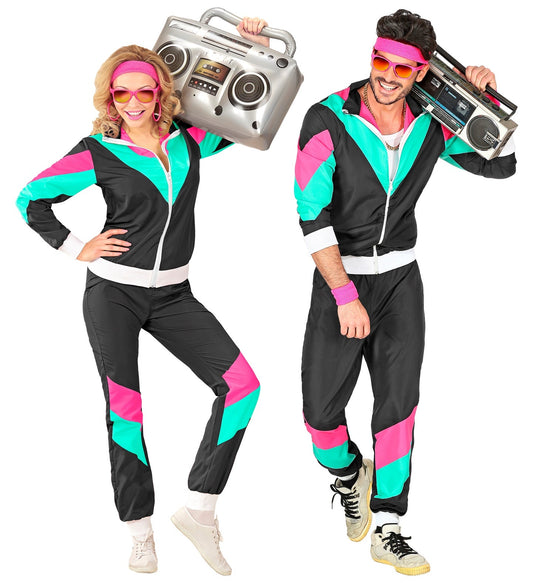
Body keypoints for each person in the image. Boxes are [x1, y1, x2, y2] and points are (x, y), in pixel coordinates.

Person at [16, 17, 270, 576]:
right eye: (121, 93)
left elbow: (250, 110)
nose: (132, 102)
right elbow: (30, 198)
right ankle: (139, 533)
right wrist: (76, 247)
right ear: (110, 96)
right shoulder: (98, 151)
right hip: (113, 295)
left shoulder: (192, 140)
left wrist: (250, 47)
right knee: (125, 411)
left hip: (175, 295)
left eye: (144, 91)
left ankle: (200, 511)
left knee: (242, 387)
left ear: (161, 93)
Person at [293, 9, 516, 576]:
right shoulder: (328, 117)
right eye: (381, 60)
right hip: (339, 280)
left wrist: (482, 100)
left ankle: (389, 526)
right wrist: (344, 295)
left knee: (397, 407)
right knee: (319, 413)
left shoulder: (434, 122)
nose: (387, 75)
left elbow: (500, 167)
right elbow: (310, 214)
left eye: (402, 67)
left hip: (401, 283)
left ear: (421, 72)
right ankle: (350, 475)